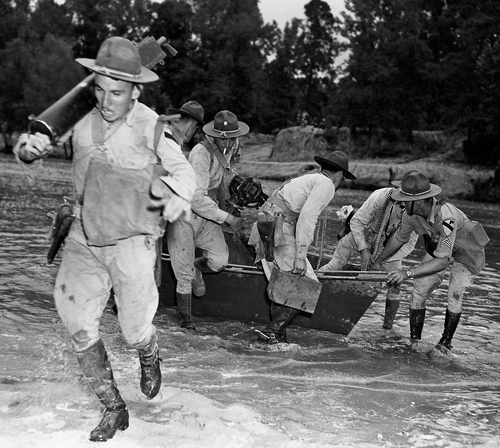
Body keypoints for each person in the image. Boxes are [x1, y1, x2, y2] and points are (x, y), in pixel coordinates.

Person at [13, 36, 197, 442]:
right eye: (100, 90)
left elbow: (185, 174)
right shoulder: (78, 116)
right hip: (84, 235)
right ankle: (114, 408)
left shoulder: (152, 125)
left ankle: (148, 350)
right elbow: (31, 148)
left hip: (132, 238)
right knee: (77, 323)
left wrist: (174, 195)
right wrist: (28, 148)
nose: (106, 100)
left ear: (135, 91)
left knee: (133, 329)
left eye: (117, 92)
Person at [372, 171, 489, 353]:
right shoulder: (410, 214)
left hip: (466, 251)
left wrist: (407, 273)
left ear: (418, 201)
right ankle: (414, 342)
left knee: (455, 294)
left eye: (405, 200)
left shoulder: (446, 217)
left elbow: (442, 262)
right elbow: (400, 238)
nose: (402, 204)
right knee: (419, 290)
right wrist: (379, 260)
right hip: (439, 249)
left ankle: (445, 343)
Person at [250, 151, 356, 344]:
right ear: (340, 174)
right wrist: (300, 255)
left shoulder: (309, 179)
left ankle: (277, 338)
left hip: (265, 228)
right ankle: (272, 332)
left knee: (282, 284)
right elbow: (307, 218)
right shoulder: (326, 184)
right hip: (277, 229)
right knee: (308, 284)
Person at [166, 110, 248, 330]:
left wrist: (234, 199)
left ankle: (197, 266)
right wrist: (227, 217)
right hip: (186, 213)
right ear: (214, 136)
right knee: (184, 276)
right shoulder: (201, 153)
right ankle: (186, 324)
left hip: (208, 212)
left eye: (232, 139)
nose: (228, 143)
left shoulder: (231, 149)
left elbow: (224, 181)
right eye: (224, 139)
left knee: (220, 261)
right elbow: (196, 199)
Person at [318, 185, 418, 330]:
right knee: (334, 266)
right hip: (363, 235)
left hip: (389, 248)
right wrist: (364, 249)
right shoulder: (380, 196)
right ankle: (313, 293)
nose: (404, 210)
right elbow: (356, 221)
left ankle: (387, 326)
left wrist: (380, 261)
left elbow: (408, 245)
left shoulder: (415, 214)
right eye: (401, 205)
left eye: (407, 207)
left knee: (395, 283)